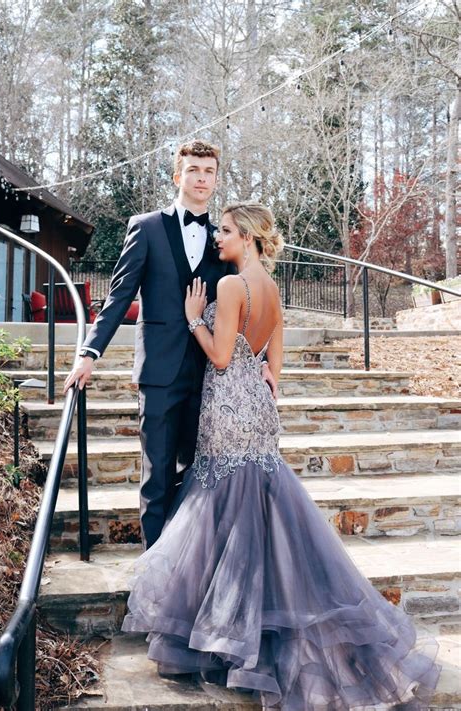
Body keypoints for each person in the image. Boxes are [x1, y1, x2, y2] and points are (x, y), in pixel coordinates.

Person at [121, 203, 440, 710]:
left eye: (225, 231)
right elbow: (275, 358)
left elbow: (221, 356)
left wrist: (190, 321)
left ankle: (229, 631)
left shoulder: (229, 286)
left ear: (246, 237)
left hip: (227, 402)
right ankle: (253, 619)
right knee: (259, 513)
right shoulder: (270, 286)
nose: (218, 238)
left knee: (223, 512)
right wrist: (266, 376)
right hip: (260, 408)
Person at [64, 140, 277, 549]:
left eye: (209, 171)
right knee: (157, 475)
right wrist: (89, 353)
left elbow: (250, 300)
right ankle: (154, 576)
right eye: (194, 170)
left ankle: (189, 566)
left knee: (199, 476)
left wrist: (261, 358)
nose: (201, 178)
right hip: (160, 373)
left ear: (216, 180)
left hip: (212, 375)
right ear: (178, 176)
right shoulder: (145, 227)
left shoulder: (225, 237)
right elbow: (119, 296)